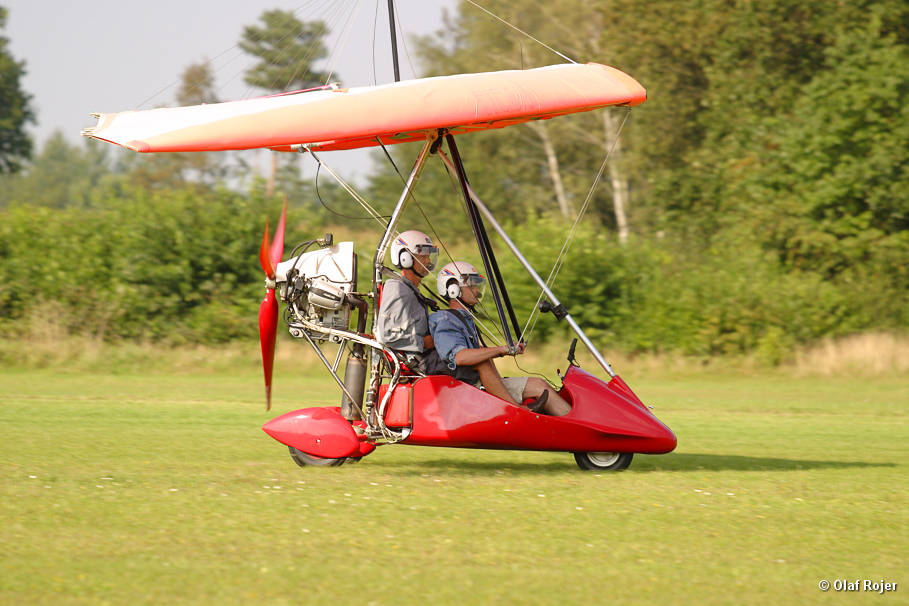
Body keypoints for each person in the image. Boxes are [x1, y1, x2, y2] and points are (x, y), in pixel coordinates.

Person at [428, 261, 571, 416]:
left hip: (481, 382)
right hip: (465, 386)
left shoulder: (464, 318)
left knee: (540, 386)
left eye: (477, 285)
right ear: (453, 289)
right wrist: (501, 350)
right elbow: (459, 357)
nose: (477, 291)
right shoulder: (444, 318)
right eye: (472, 286)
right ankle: (517, 411)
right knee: (482, 358)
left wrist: (499, 354)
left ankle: (577, 426)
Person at [374, 230, 439, 365]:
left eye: (428, 256)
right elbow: (386, 335)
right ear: (405, 258)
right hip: (419, 361)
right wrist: (425, 342)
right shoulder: (398, 290)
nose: (428, 261)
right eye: (422, 256)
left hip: (426, 356)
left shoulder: (410, 289)